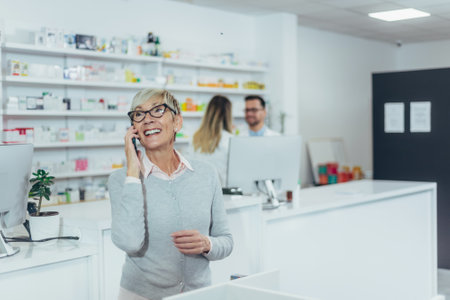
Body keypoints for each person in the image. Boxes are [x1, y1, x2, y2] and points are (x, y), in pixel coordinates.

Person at [108, 89, 233, 300]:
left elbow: (226, 240)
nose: (147, 119)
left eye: (157, 111)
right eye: (139, 114)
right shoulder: (121, 180)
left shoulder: (206, 174)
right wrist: (132, 172)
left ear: (177, 122)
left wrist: (206, 244)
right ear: (134, 129)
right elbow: (129, 242)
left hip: (199, 294)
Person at [188, 95, 234, 186]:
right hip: (223, 194)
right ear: (228, 114)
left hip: (199, 191)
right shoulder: (230, 140)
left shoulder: (195, 138)